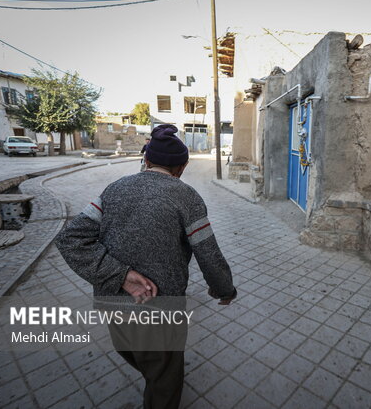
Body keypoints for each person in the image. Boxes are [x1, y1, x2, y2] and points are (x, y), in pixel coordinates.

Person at [55, 124, 236, 409]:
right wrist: (224, 289)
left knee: (136, 354)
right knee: (165, 376)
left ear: (146, 160)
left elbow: (70, 239)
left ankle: (153, 375)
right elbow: (208, 253)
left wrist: (119, 276)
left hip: (111, 302)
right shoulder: (187, 197)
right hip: (160, 308)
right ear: (182, 167)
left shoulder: (113, 190)